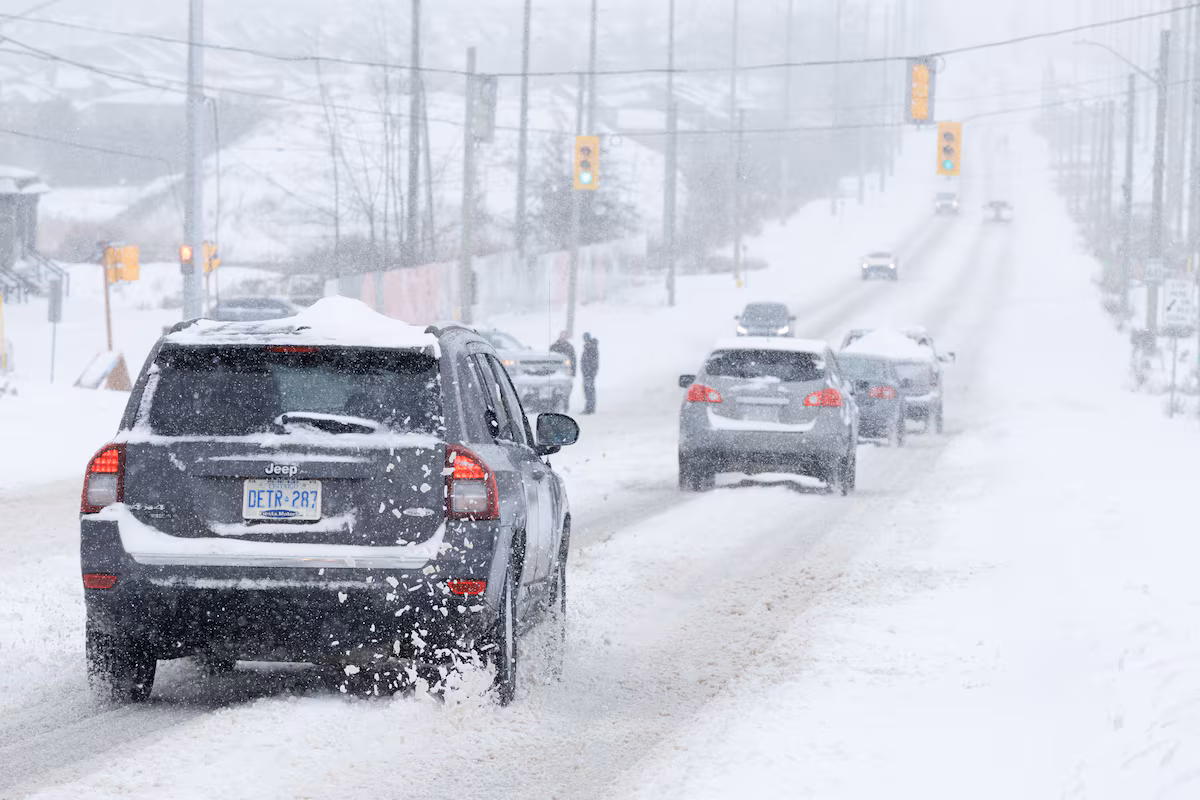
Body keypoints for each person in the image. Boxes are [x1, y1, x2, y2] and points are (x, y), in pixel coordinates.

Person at [580, 332, 599, 415]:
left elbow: (592, 362)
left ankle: (589, 408)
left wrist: (589, 372)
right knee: (588, 390)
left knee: (589, 391)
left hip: (589, 373)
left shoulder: (590, 347)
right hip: (588, 373)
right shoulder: (590, 347)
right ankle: (590, 408)